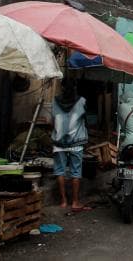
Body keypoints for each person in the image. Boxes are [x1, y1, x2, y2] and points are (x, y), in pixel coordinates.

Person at [51, 82, 89, 211]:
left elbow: (53, 119)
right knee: (76, 172)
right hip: (76, 142)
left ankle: (63, 201)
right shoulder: (82, 101)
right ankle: (75, 202)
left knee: (60, 171)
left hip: (58, 142)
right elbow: (85, 119)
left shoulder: (55, 101)